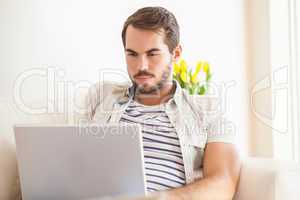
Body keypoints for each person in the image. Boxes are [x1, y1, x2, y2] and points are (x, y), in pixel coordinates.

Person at [86, 6, 241, 200]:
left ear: (176, 54)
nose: (141, 66)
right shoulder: (102, 97)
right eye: (132, 54)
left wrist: (158, 198)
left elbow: (223, 183)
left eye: (152, 54)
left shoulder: (207, 110)